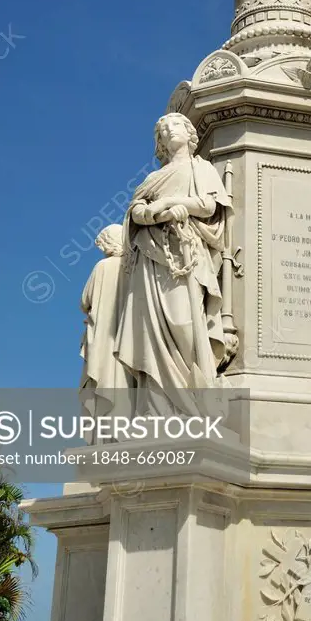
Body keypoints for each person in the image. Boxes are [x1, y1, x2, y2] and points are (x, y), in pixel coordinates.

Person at [114, 113, 232, 415]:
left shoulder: (201, 169)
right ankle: (158, 407)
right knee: (150, 331)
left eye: (174, 125)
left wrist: (169, 204)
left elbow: (208, 206)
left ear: (189, 133)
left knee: (186, 323)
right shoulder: (152, 179)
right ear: (160, 143)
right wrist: (153, 213)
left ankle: (196, 397)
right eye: (162, 130)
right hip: (152, 260)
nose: (168, 130)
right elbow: (136, 212)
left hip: (185, 254)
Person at [79, 224, 134, 432]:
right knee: (123, 379)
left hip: (102, 334)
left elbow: (85, 301)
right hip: (126, 335)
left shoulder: (103, 266)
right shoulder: (132, 267)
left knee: (102, 374)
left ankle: (104, 432)